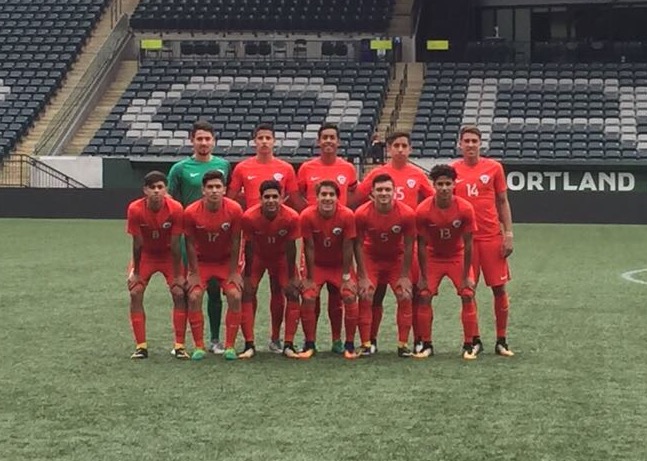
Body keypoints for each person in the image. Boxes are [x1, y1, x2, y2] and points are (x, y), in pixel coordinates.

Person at [351, 131, 434, 354]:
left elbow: (433, 202)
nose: (399, 149)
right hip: (374, 247)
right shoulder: (376, 175)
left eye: (403, 145)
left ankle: (413, 341)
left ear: (410, 149)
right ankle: (370, 341)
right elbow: (355, 200)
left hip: (404, 245)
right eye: (395, 145)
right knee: (372, 294)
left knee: (411, 293)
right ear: (388, 149)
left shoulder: (417, 175)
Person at [228, 123, 303, 354]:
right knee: (248, 289)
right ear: (254, 141)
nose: (264, 142)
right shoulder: (242, 167)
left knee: (284, 291)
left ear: (274, 141)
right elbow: (231, 197)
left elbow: (295, 198)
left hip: (279, 238)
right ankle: (249, 343)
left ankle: (278, 339)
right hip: (255, 237)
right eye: (259, 137)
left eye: (268, 137)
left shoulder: (286, 168)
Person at [167, 120, 231, 355]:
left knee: (215, 289)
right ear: (192, 140)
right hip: (188, 238)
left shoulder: (223, 165)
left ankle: (215, 339)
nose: (204, 143)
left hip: (216, 239)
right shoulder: (179, 168)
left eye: (207, 138)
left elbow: (229, 197)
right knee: (186, 290)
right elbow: (171, 202)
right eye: (199, 138)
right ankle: (181, 343)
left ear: (214, 141)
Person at [452, 125, 515, 357]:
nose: (470, 145)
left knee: (499, 288)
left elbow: (503, 201)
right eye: (466, 141)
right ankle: (473, 340)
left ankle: (502, 340)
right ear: (460, 144)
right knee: (468, 291)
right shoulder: (453, 170)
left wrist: (508, 233)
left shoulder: (494, 167)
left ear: (480, 144)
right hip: (465, 241)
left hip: (491, 238)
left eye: (474, 141)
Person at [297, 123, 358, 354]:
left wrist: (338, 215)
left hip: (338, 255)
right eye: (325, 137)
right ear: (318, 141)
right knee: (310, 295)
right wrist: (314, 214)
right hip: (317, 257)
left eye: (333, 137)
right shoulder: (306, 167)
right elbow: (296, 193)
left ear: (338, 141)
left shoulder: (348, 168)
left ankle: (341, 342)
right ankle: (309, 342)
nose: (329, 141)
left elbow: (353, 194)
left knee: (343, 295)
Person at [414, 164, 479, 360]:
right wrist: (424, 276)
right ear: (434, 185)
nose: (443, 188)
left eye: (447, 184)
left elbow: (468, 244)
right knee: (424, 295)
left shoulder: (465, 208)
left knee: (467, 294)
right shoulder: (423, 210)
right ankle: (426, 344)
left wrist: (467, 274)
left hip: (456, 256)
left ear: (454, 185)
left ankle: (469, 344)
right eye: (440, 184)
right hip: (434, 257)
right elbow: (422, 245)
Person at [184, 170, 244, 361]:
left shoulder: (234, 209)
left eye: (218, 187)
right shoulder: (191, 212)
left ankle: (230, 346)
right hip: (202, 262)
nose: (214, 191)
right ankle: (199, 346)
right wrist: (193, 272)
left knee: (235, 295)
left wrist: (234, 272)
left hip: (225, 262)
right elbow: (190, 244)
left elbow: (236, 241)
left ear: (225, 189)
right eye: (210, 187)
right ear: (203, 190)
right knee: (194, 296)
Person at [354, 173, 416, 357]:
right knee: (366, 295)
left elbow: (409, 245)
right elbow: (357, 244)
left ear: (394, 192)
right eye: (379, 190)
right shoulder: (362, 213)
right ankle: (367, 343)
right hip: (371, 258)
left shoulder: (406, 213)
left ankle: (403, 344)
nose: (383, 193)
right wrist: (363, 276)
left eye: (387, 189)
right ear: (372, 192)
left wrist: (405, 276)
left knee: (404, 296)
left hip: (395, 260)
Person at [126, 171, 186, 359]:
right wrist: (135, 272)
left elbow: (177, 244)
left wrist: (177, 275)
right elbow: (137, 243)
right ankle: (141, 346)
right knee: (135, 292)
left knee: (179, 292)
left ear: (166, 189)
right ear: (145, 190)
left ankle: (179, 346)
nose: (156, 191)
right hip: (146, 256)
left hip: (168, 256)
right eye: (152, 188)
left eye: (160, 187)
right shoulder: (135, 209)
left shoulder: (176, 208)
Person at [240, 180, 302, 358]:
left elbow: (291, 248)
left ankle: (286, 343)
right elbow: (248, 247)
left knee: (291, 293)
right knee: (247, 292)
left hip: (281, 258)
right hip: (258, 257)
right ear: (260, 199)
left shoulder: (291, 217)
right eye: (267, 197)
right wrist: (248, 276)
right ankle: (249, 344)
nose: (271, 200)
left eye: (275, 197)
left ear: (282, 198)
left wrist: (291, 276)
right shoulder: (249, 217)